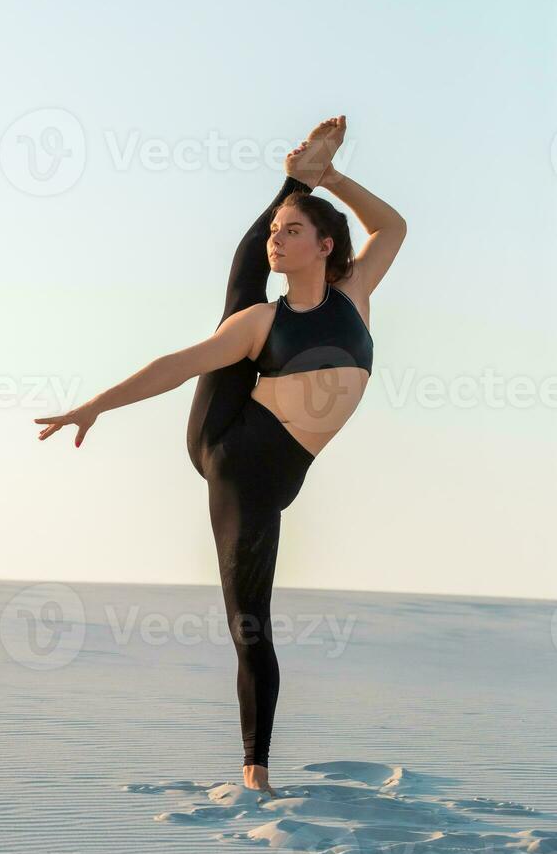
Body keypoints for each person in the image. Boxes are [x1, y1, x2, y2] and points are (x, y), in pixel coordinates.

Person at [34, 115, 407, 797]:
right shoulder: (264, 322)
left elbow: (394, 228)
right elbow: (176, 367)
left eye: (291, 229)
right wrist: (96, 405)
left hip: (282, 467)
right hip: (230, 451)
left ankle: (299, 177)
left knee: (241, 291)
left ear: (327, 245)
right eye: (274, 230)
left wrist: (331, 180)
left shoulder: (354, 296)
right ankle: (254, 771)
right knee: (250, 621)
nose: (277, 238)